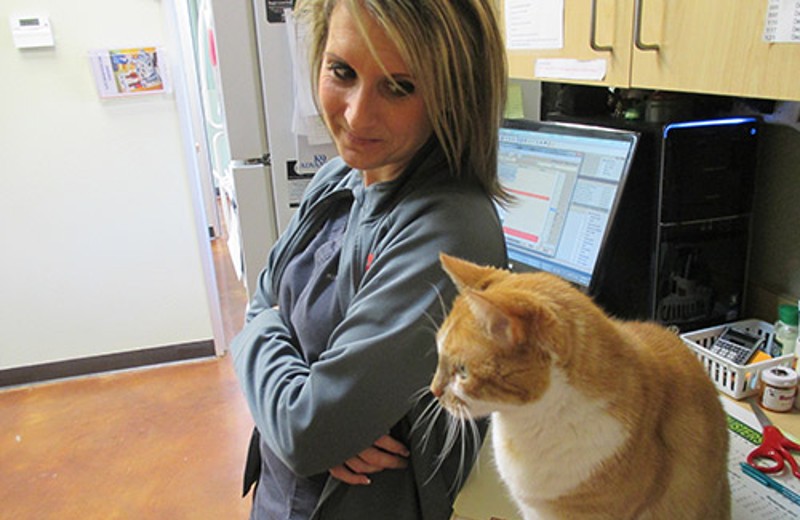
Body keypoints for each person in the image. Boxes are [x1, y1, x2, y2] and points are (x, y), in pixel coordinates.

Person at [230, 0, 508, 518]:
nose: (357, 114)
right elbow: (260, 298)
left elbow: (307, 429)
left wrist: (264, 352)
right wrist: (305, 405)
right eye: (342, 71)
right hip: (281, 493)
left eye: (399, 86)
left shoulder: (449, 231)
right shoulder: (337, 178)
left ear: (454, 94)